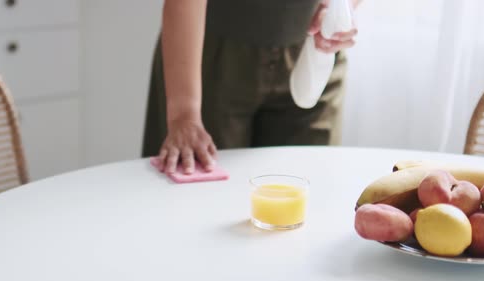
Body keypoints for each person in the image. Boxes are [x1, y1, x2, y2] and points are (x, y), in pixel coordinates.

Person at [142, 0, 360, 174]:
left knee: (309, 188)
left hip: (314, 55)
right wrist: (184, 115)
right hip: (211, 57)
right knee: (194, 195)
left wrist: (338, 10)